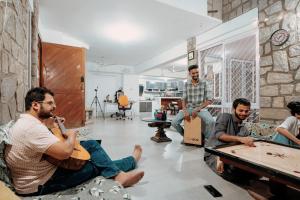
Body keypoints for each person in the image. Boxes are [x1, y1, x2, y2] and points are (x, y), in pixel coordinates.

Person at [4, 87, 144, 196]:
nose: (54, 107)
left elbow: (42, 139)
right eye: (50, 103)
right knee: (96, 164)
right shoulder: (32, 128)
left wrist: (53, 125)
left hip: (37, 174)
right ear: (35, 105)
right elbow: (65, 153)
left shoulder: (25, 122)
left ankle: (122, 170)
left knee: (91, 146)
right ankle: (130, 163)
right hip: (40, 184)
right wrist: (71, 135)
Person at [204, 98, 255, 183]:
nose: (244, 113)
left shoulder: (244, 129)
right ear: (233, 109)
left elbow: (238, 145)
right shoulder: (225, 116)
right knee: (232, 174)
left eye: (246, 111)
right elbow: (219, 135)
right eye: (241, 110)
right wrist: (220, 156)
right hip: (214, 153)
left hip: (229, 153)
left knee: (249, 172)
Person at [171, 64, 215, 140]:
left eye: (197, 72)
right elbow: (184, 99)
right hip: (188, 108)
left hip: (200, 109)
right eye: (193, 73)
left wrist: (197, 109)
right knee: (174, 122)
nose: (196, 74)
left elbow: (209, 100)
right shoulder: (186, 84)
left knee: (211, 122)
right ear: (190, 74)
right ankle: (186, 136)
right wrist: (184, 110)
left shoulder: (205, 83)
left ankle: (207, 139)